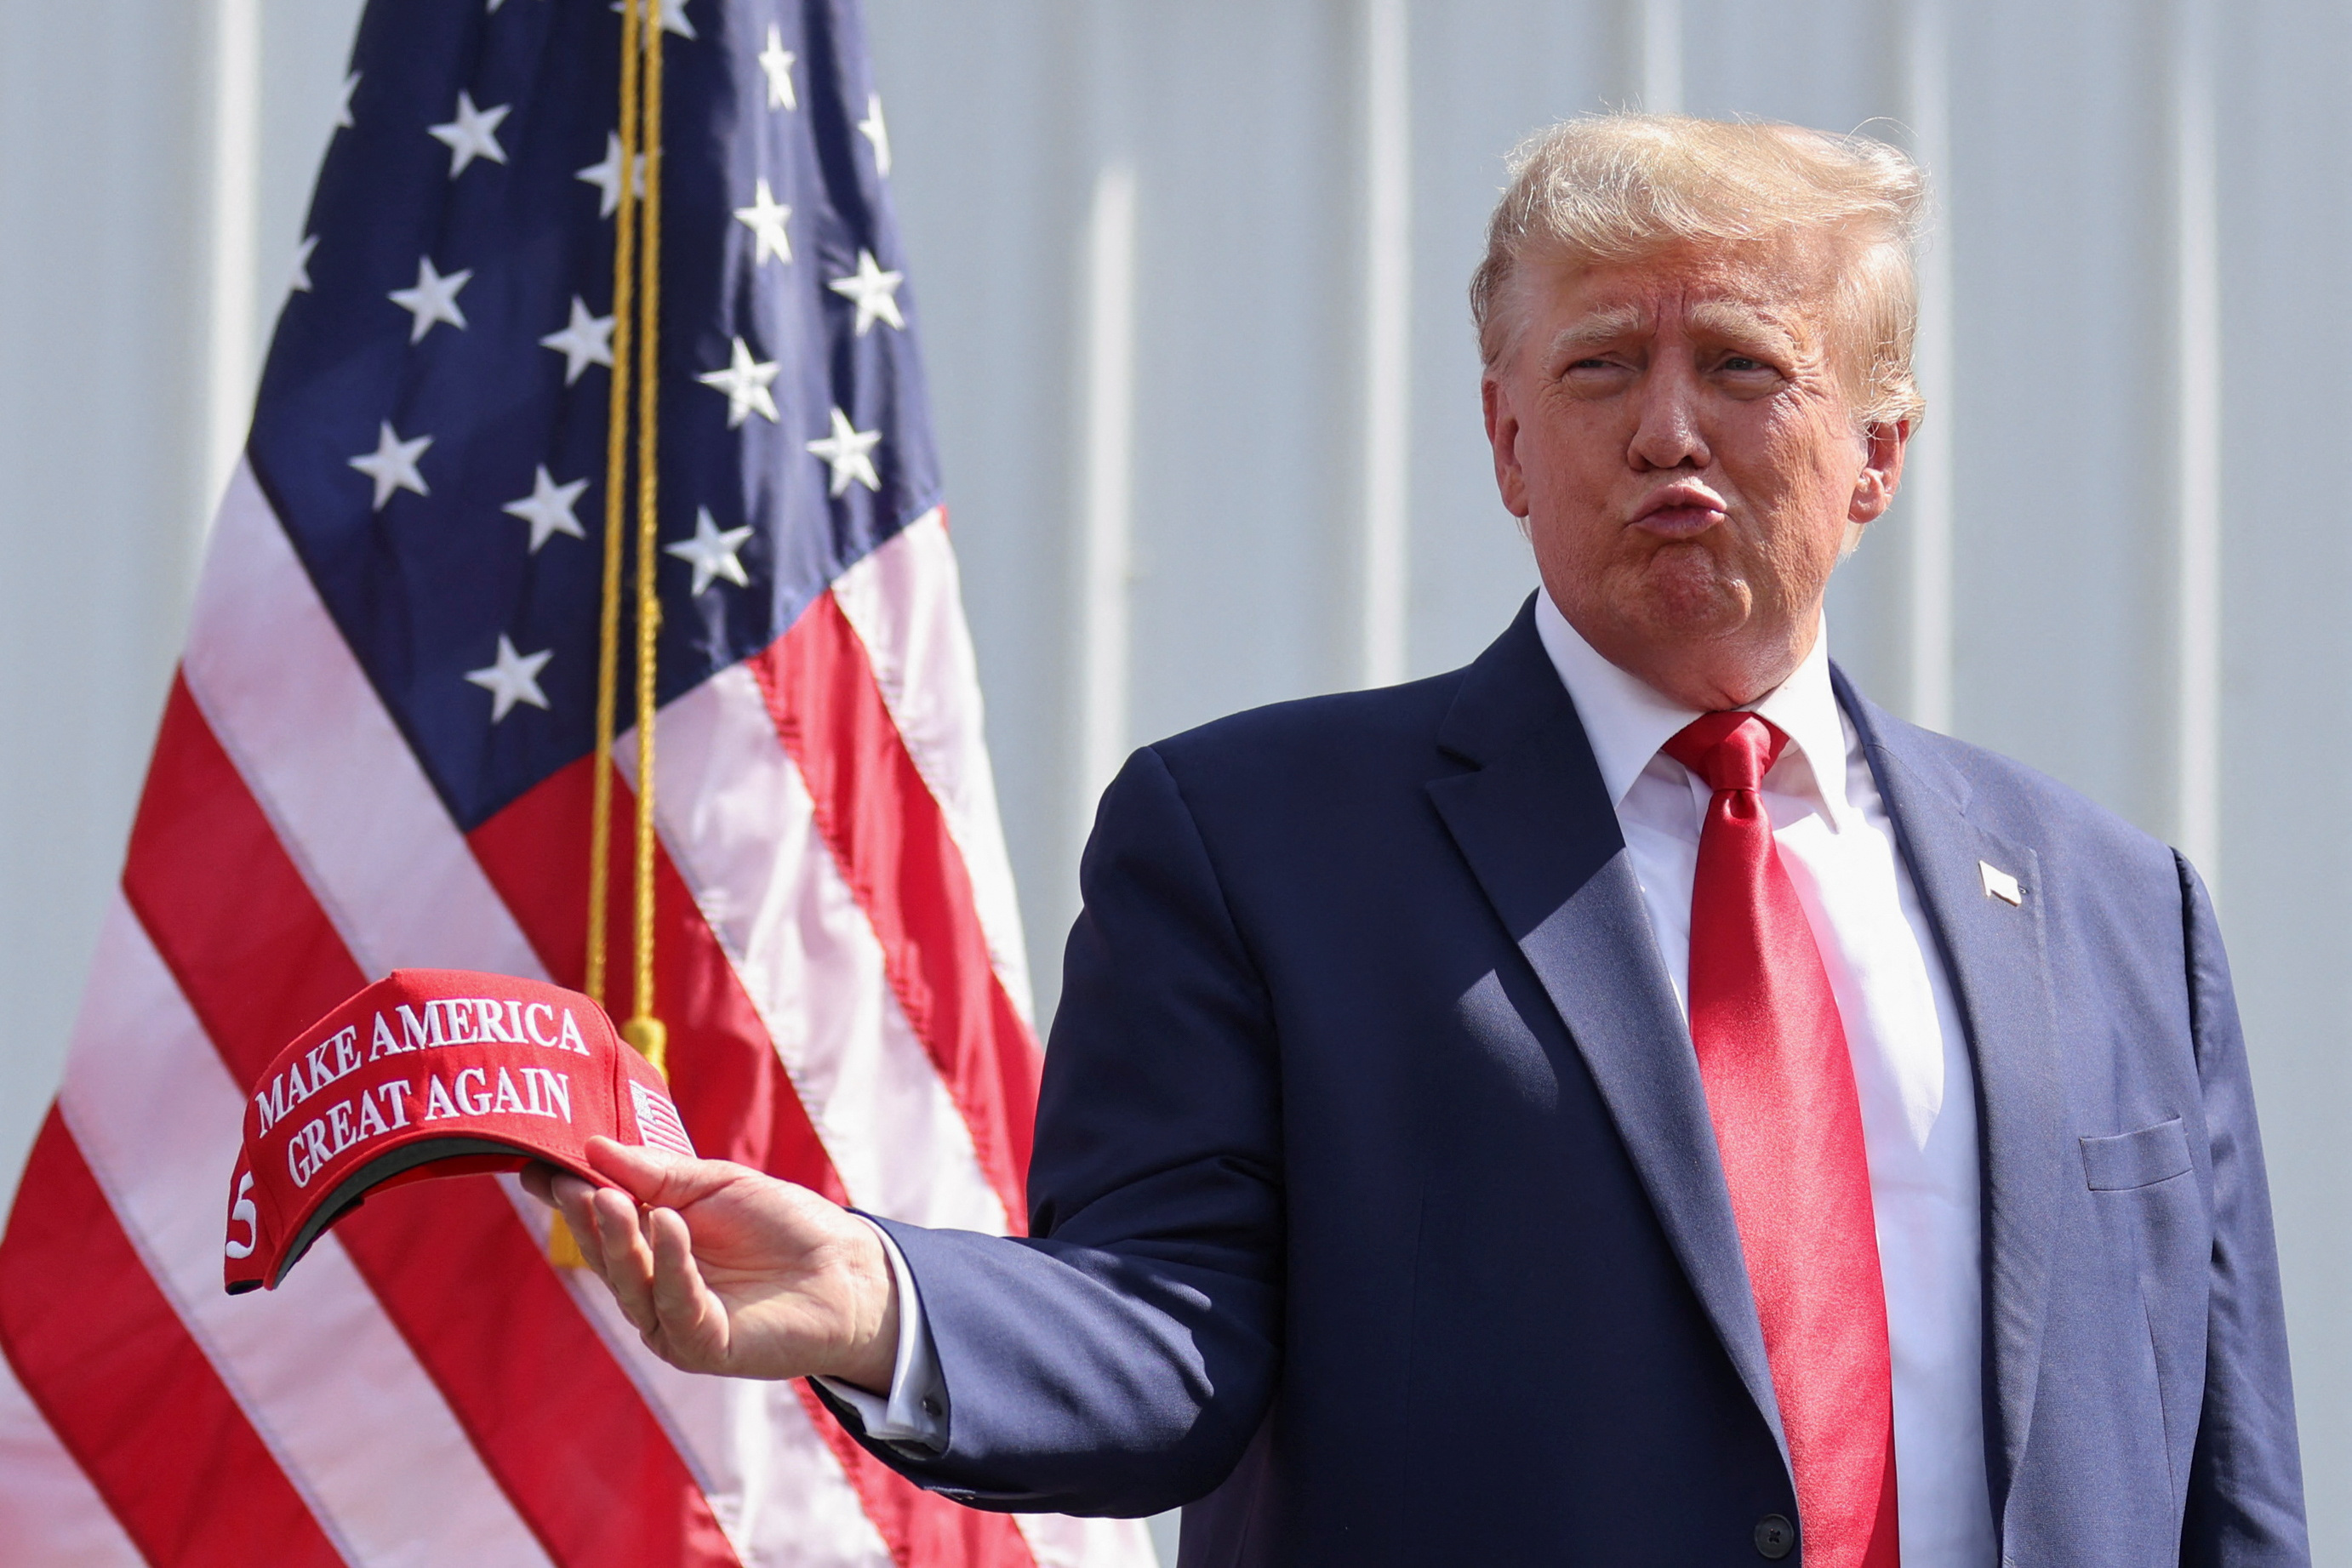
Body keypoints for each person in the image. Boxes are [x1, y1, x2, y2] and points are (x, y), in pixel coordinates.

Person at [528, 114, 2309, 1565]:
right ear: (1504, 436)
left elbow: (2223, 1484)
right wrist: (881, 1295)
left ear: (1875, 453)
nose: (1667, 431)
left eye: (1744, 366)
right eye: (1602, 364)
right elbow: (1162, 1331)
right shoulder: (1250, 847)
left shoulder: (2110, 907)